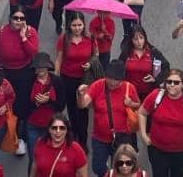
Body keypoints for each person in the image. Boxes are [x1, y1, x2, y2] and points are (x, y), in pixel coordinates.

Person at [0, 9, 39, 155]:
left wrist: (24, 38)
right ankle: (6, 133)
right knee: (4, 104)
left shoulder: (31, 32)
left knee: (22, 106)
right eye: (16, 18)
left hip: (24, 74)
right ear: (10, 19)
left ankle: (21, 138)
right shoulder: (0, 33)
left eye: (22, 18)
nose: (19, 21)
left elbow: (34, 53)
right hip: (5, 73)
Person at [77, 60, 141, 177]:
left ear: (122, 79)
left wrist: (131, 103)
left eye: (116, 80)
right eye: (109, 78)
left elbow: (139, 106)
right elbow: (82, 104)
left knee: (121, 167)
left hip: (123, 137)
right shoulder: (98, 85)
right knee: (98, 167)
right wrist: (81, 94)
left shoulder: (129, 87)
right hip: (100, 138)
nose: (112, 82)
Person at [138, 69, 183, 177]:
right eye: (169, 82)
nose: (172, 85)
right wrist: (143, 135)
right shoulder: (156, 95)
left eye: (176, 82)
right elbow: (142, 112)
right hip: (157, 149)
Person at [55, 12, 98, 149]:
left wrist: (90, 63)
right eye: (74, 25)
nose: (77, 28)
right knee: (72, 110)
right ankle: (75, 135)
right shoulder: (64, 39)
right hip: (67, 78)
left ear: (84, 25)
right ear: (69, 25)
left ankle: (83, 140)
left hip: (84, 79)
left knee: (83, 110)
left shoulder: (90, 37)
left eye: (80, 25)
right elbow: (59, 59)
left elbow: (96, 54)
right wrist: (56, 78)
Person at [26, 52, 66, 172]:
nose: (40, 69)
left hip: (51, 127)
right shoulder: (29, 81)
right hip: (32, 125)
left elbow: (61, 106)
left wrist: (48, 101)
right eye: (38, 67)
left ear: (48, 68)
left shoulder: (57, 81)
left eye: (43, 67)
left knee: (51, 157)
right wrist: (36, 103)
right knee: (34, 158)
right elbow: (23, 105)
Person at [119, 25, 170, 101]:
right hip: (129, 93)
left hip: (149, 94)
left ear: (145, 38)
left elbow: (166, 68)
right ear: (131, 40)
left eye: (141, 38)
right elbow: (118, 69)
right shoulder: (126, 53)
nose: (139, 41)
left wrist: (155, 78)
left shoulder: (153, 52)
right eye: (135, 39)